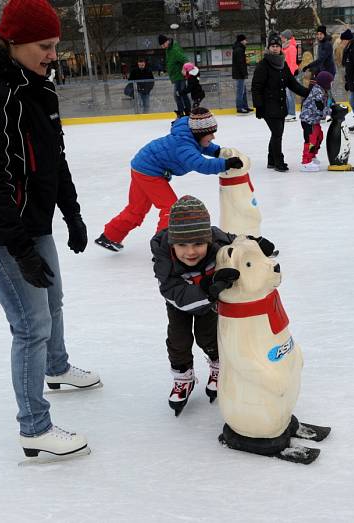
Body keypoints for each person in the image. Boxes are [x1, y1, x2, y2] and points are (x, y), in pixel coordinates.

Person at [0, 0, 99, 460]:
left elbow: (54, 158)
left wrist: (71, 214)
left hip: (33, 222)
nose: (53, 54)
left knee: (53, 301)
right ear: (14, 41)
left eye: (56, 45)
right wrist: (20, 248)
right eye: (45, 46)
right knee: (30, 325)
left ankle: (56, 368)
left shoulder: (38, 85)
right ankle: (34, 427)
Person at [150, 196, 276, 415]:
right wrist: (209, 287)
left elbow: (237, 243)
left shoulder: (217, 239)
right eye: (182, 245)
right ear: (172, 243)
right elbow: (173, 293)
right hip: (179, 303)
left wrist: (255, 245)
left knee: (208, 336)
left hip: (210, 301)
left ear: (208, 239)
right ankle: (183, 377)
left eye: (198, 243)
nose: (190, 252)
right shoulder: (164, 258)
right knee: (178, 340)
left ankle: (218, 366)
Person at [95, 108, 243, 252]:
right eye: (210, 134)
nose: (213, 137)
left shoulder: (189, 133)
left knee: (136, 208)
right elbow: (201, 164)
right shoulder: (184, 146)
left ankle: (109, 236)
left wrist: (216, 151)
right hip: (149, 172)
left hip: (141, 165)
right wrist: (226, 164)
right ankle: (162, 247)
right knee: (170, 208)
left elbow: (202, 145)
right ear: (200, 133)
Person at [251, 33, 310, 172]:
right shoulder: (263, 65)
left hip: (281, 104)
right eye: (273, 46)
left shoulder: (282, 65)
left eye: (277, 46)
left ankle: (271, 160)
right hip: (267, 106)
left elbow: (292, 83)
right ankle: (278, 161)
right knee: (277, 133)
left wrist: (307, 92)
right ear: (268, 47)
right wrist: (258, 106)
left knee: (276, 133)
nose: (275, 48)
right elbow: (256, 87)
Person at [299, 71, 333, 172]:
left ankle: (312, 156)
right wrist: (331, 111)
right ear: (325, 82)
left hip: (314, 120)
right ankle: (306, 162)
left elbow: (325, 104)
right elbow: (320, 108)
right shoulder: (317, 92)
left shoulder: (322, 90)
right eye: (330, 82)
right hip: (308, 120)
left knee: (319, 136)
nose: (331, 84)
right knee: (311, 140)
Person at [158, 34, 191, 119]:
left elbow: (186, 60)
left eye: (163, 45)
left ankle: (184, 113)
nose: (162, 47)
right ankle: (185, 112)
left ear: (167, 41)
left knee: (179, 94)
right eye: (161, 45)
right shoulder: (168, 49)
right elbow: (170, 61)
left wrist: (184, 69)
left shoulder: (175, 50)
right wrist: (167, 69)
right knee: (180, 95)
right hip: (176, 76)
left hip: (180, 76)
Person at [280, 29, 301, 121]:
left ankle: (292, 113)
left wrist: (290, 76)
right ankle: (288, 112)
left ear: (286, 38)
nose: (281, 38)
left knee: (289, 94)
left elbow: (292, 63)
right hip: (285, 73)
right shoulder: (284, 47)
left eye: (283, 37)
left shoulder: (292, 47)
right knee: (286, 94)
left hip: (291, 74)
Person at [232, 34, 252, 113]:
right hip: (239, 74)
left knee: (243, 91)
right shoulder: (239, 50)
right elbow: (241, 63)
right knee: (240, 91)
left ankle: (245, 106)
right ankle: (239, 107)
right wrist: (244, 73)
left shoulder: (239, 48)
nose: (246, 41)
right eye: (245, 40)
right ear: (242, 40)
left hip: (240, 73)